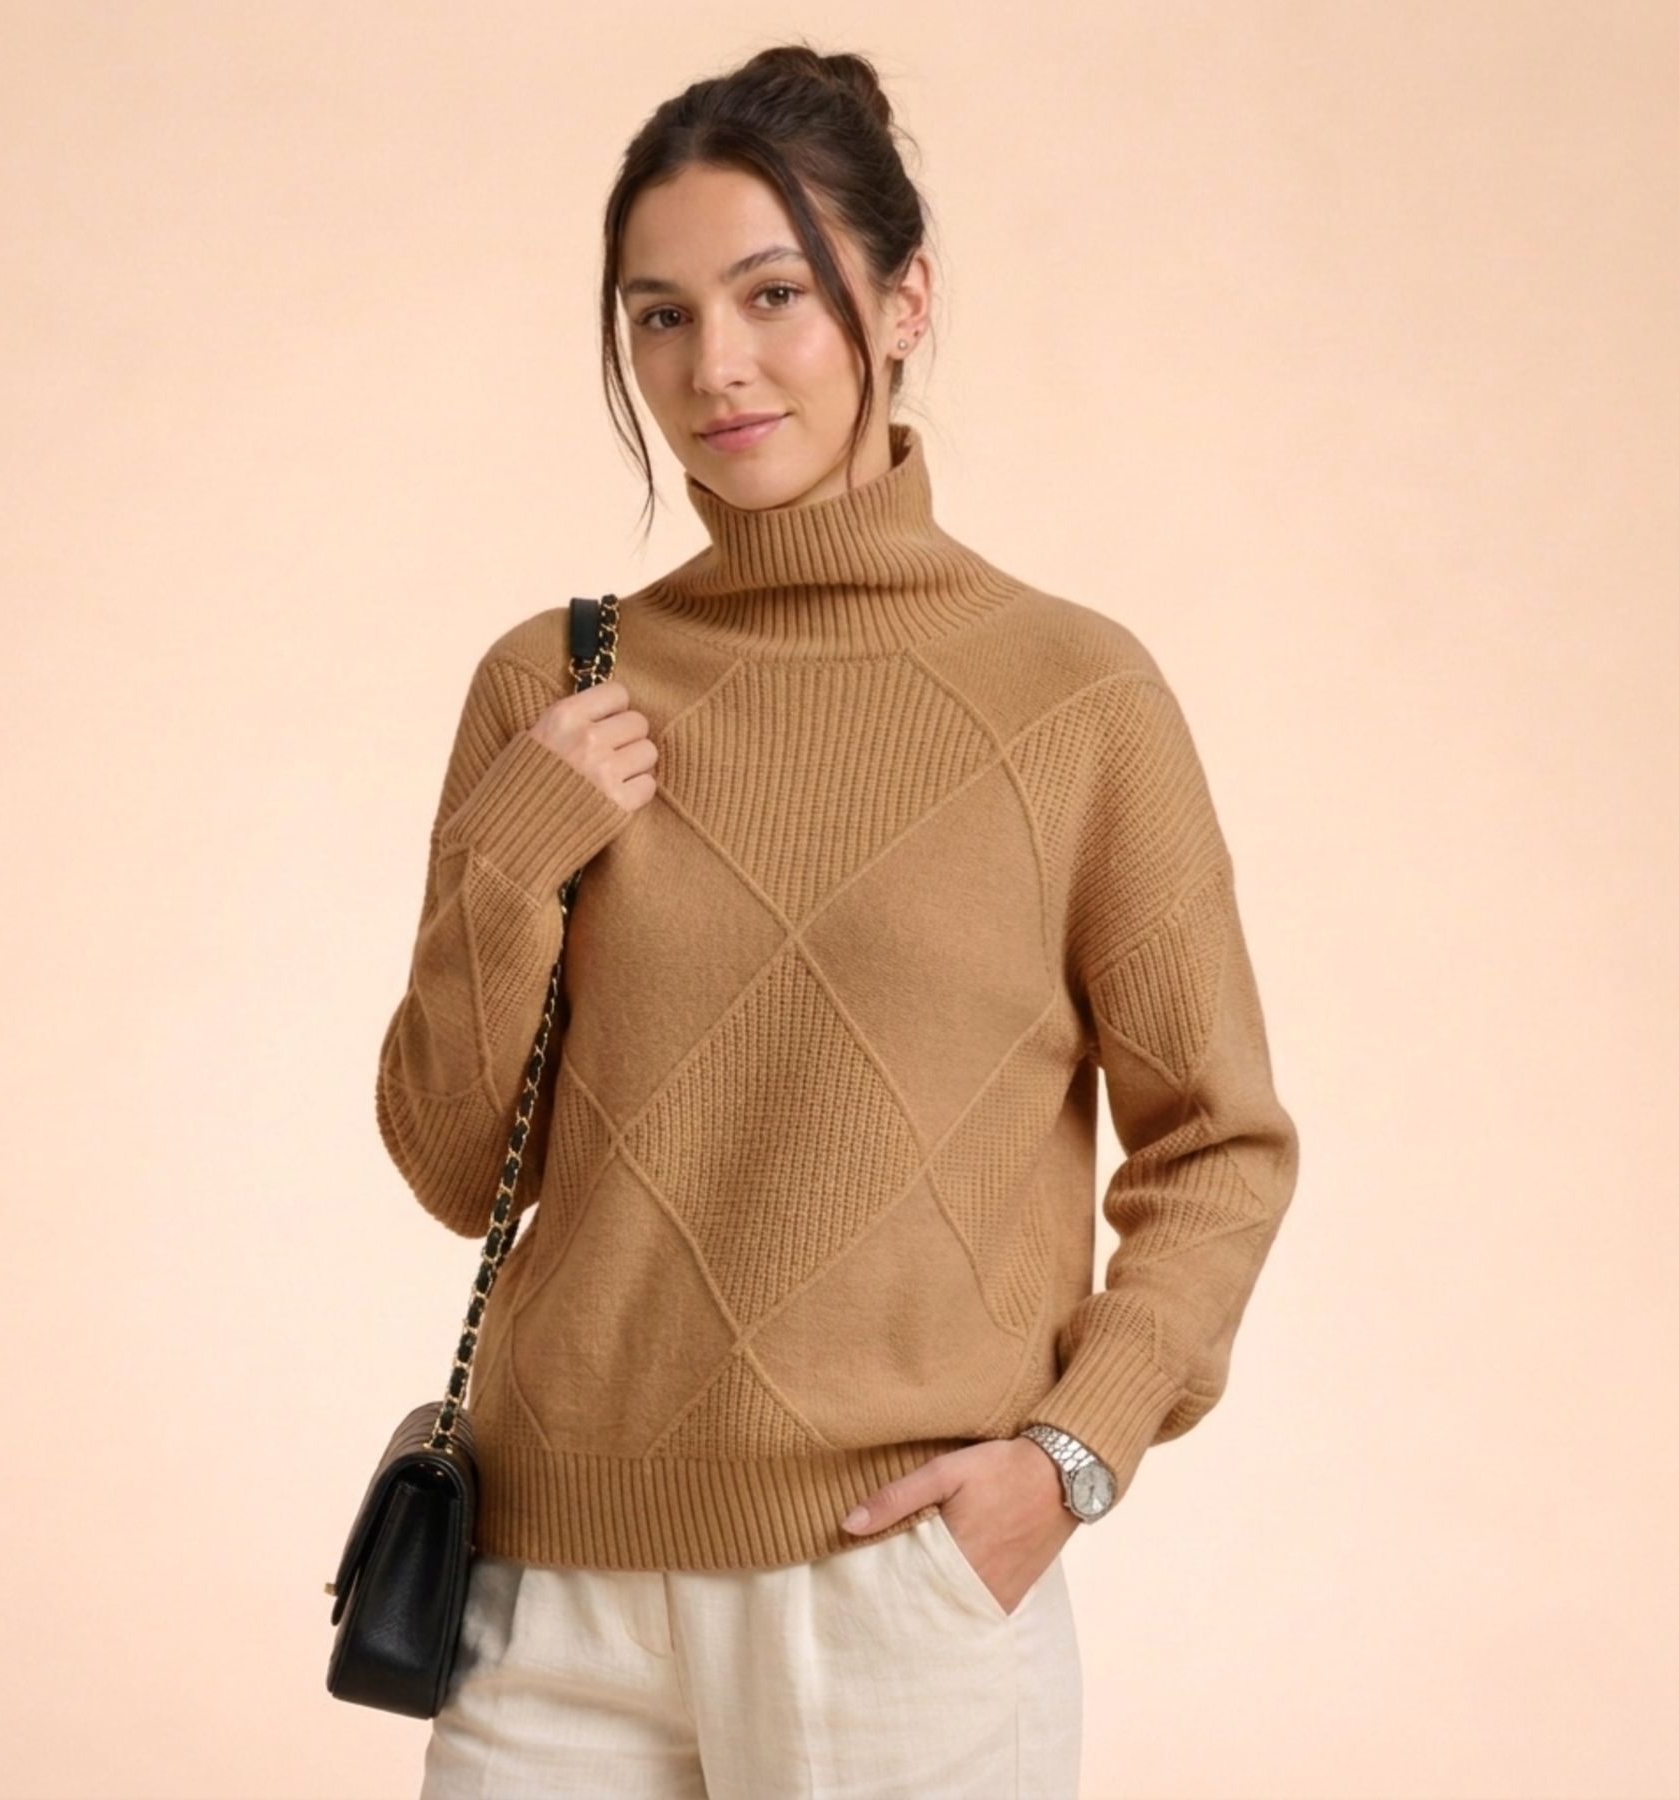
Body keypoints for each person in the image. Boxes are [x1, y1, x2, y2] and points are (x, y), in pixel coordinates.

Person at [378, 43, 1297, 1800]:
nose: (711, 367)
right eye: (658, 316)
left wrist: (1072, 1456)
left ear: (905, 301)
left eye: (773, 294)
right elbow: (450, 1162)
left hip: (895, 1592)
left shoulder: (1074, 699)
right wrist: (511, 864)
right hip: (547, 1588)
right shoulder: (553, 687)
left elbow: (1221, 1145)